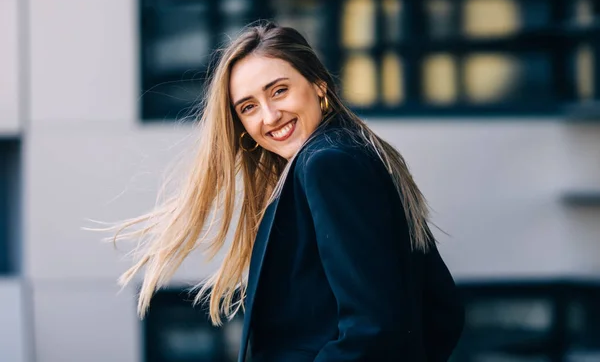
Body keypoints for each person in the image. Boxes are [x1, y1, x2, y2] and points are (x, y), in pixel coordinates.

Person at [109, 21, 464, 361]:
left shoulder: (328, 164)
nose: (269, 116)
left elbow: (374, 328)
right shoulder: (342, 154)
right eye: (248, 107)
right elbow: (441, 312)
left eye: (279, 90)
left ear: (319, 85)